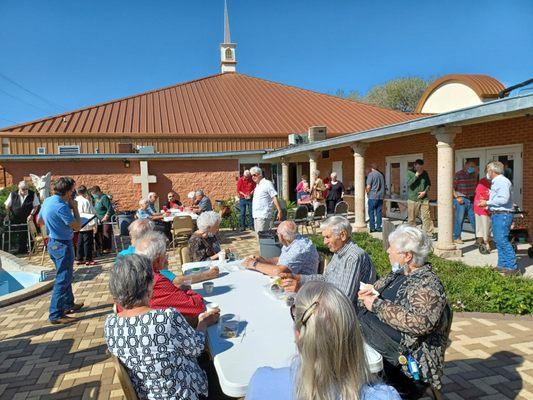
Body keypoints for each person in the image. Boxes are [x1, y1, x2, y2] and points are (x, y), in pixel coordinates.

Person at [246, 281, 400, 400]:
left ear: (299, 334)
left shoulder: (262, 382)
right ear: (354, 335)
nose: (325, 241)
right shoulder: (385, 396)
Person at [105, 253, 220, 400]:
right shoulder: (166, 318)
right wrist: (204, 323)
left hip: (148, 394)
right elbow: (197, 348)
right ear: (149, 286)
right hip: (185, 393)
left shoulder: (110, 324)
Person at [357, 224, 451, 399]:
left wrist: (376, 305)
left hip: (405, 360)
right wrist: (370, 291)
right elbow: (378, 291)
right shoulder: (398, 273)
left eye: (391, 248)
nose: (387, 251)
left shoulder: (427, 284)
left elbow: (420, 323)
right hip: (378, 344)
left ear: (407, 256)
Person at [280, 216, 376, 302]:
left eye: (327, 237)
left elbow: (344, 298)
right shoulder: (339, 251)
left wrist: (302, 289)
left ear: (342, 235)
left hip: (347, 316)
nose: (324, 242)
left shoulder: (353, 257)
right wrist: (297, 278)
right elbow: (325, 278)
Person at [120, 232, 206, 322]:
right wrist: (187, 290)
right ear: (157, 260)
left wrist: (177, 290)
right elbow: (197, 306)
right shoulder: (155, 280)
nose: (167, 259)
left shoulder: (129, 273)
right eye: (165, 255)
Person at [38, 177, 84, 324]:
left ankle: (69, 304)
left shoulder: (47, 201)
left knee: (66, 276)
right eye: (72, 190)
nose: (73, 193)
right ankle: (56, 314)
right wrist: (75, 208)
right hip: (62, 244)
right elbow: (77, 226)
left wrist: (54, 224)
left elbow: (40, 221)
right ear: (67, 192)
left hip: (52, 243)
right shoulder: (61, 206)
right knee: (63, 279)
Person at [119, 219, 219, 284]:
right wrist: (207, 275)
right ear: (148, 235)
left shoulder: (121, 256)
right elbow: (177, 281)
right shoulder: (150, 255)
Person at [478, 161, 518, 275]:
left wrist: (487, 202)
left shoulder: (502, 181)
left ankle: (512, 267)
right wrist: (489, 203)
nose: (487, 173)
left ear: (492, 171)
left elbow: (504, 199)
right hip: (498, 214)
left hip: (503, 214)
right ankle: (502, 265)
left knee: (502, 240)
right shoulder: (498, 181)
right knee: (498, 241)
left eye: (487, 170)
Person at [243, 221, 319, 276]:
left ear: (281, 236)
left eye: (277, 234)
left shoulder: (299, 248)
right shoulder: (292, 239)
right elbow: (282, 260)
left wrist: (254, 264)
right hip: (292, 281)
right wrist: (263, 260)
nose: (277, 235)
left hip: (303, 288)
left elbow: (279, 271)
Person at [4, 180, 40, 254]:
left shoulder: (32, 194)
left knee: (30, 234)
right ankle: (22, 250)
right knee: (20, 234)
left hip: (28, 218)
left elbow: (36, 205)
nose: (25, 190)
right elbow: (7, 205)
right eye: (23, 189)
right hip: (16, 218)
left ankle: (32, 250)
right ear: (19, 188)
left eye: (26, 188)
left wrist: (31, 214)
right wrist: (7, 215)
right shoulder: (13, 194)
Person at [406, 159, 435, 239]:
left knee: (426, 216)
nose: (420, 170)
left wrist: (424, 192)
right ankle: (412, 234)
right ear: (415, 166)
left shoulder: (425, 173)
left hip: (424, 198)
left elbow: (428, 184)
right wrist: (416, 175)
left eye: (421, 168)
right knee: (412, 218)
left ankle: (429, 233)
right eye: (418, 168)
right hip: (413, 199)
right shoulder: (409, 173)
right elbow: (409, 184)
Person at [250, 166, 283, 232]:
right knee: (259, 237)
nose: (253, 177)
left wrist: (279, 210)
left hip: (263, 215)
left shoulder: (267, 183)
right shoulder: (257, 185)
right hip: (256, 215)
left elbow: (274, 197)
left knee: (262, 237)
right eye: (252, 175)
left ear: (260, 174)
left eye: (254, 175)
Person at [453, 161, 478, 244]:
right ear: (465, 165)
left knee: (474, 219)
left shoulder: (474, 174)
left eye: (473, 166)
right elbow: (452, 187)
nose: (472, 168)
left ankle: (478, 237)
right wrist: (457, 197)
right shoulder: (458, 174)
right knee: (459, 219)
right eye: (471, 166)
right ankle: (457, 237)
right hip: (461, 199)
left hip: (471, 200)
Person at [75, 185, 97, 266]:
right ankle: (88, 259)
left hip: (78, 224)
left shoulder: (75, 200)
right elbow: (90, 213)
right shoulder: (86, 201)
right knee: (87, 242)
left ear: (78, 192)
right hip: (87, 224)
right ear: (85, 192)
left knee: (80, 242)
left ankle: (79, 258)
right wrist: (93, 224)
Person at [90, 186, 115, 254]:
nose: (93, 195)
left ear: (98, 192)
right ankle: (101, 248)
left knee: (106, 232)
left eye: (94, 193)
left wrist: (106, 216)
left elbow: (110, 208)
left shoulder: (104, 198)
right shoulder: (96, 198)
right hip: (98, 219)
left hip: (105, 218)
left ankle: (107, 248)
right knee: (98, 233)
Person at [473, 176, 492, 252]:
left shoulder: (495, 181)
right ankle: (485, 242)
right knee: (484, 225)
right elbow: (480, 193)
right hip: (481, 206)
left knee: (485, 225)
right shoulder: (483, 182)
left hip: (485, 205)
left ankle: (483, 240)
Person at [366, 163, 385, 233]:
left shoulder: (371, 174)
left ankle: (372, 228)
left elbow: (368, 186)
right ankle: (379, 228)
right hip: (380, 197)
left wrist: (367, 192)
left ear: (371, 168)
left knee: (371, 212)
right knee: (379, 213)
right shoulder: (381, 175)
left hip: (372, 196)